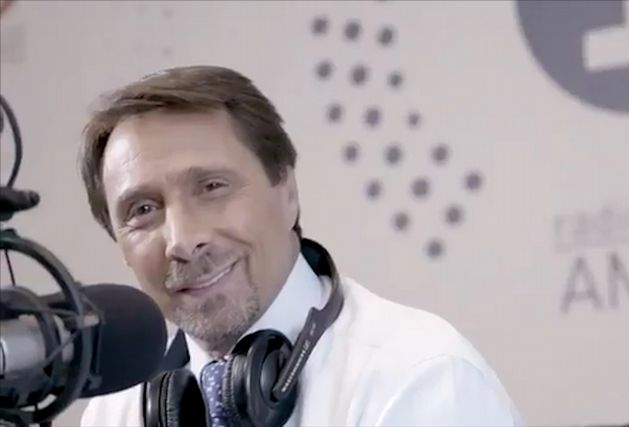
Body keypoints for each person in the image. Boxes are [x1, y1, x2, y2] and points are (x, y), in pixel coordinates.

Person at [77, 65, 521, 426]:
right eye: (142, 210)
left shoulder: (419, 378)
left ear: (287, 191)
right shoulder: (114, 413)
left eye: (212, 187)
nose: (182, 241)